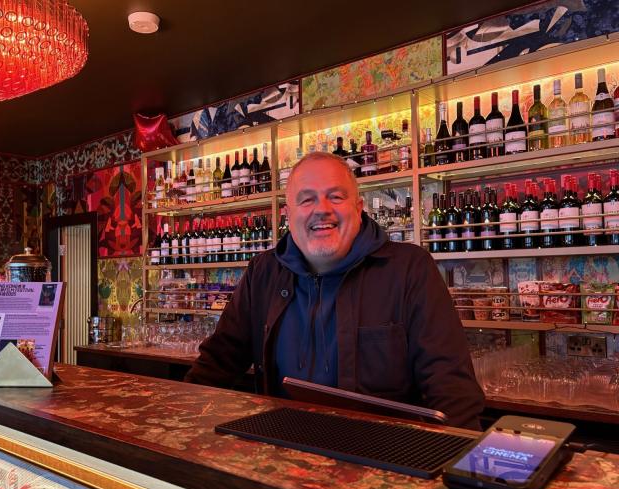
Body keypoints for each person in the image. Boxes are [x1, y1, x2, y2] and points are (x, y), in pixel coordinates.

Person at [185, 152, 485, 430]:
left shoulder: (409, 269)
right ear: (288, 215)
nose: (322, 210)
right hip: (279, 453)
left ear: (358, 207)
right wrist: (178, 421)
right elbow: (217, 361)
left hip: (381, 463)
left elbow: (453, 392)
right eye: (307, 200)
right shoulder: (263, 272)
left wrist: (452, 473)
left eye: (336, 196)